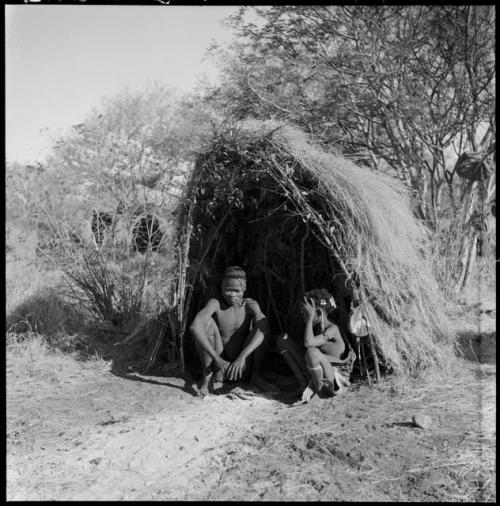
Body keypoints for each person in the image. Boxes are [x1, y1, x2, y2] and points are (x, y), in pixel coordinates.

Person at [189, 266, 275, 396]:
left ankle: (255, 375)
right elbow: (195, 326)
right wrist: (217, 358)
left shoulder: (249, 305)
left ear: (244, 289)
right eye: (227, 290)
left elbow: (265, 329)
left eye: (237, 290)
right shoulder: (216, 303)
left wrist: (243, 356)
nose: (232, 295)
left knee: (261, 326)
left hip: (242, 367)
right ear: (222, 287)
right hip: (220, 367)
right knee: (206, 323)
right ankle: (207, 375)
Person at [277, 288, 355, 400]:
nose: (303, 316)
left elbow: (308, 343)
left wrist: (309, 318)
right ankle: (303, 384)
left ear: (317, 313)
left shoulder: (333, 329)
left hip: (334, 376)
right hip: (317, 371)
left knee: (312, 352)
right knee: (282, 340)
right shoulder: (317, 329)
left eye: (305, 313)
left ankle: (319, 393)